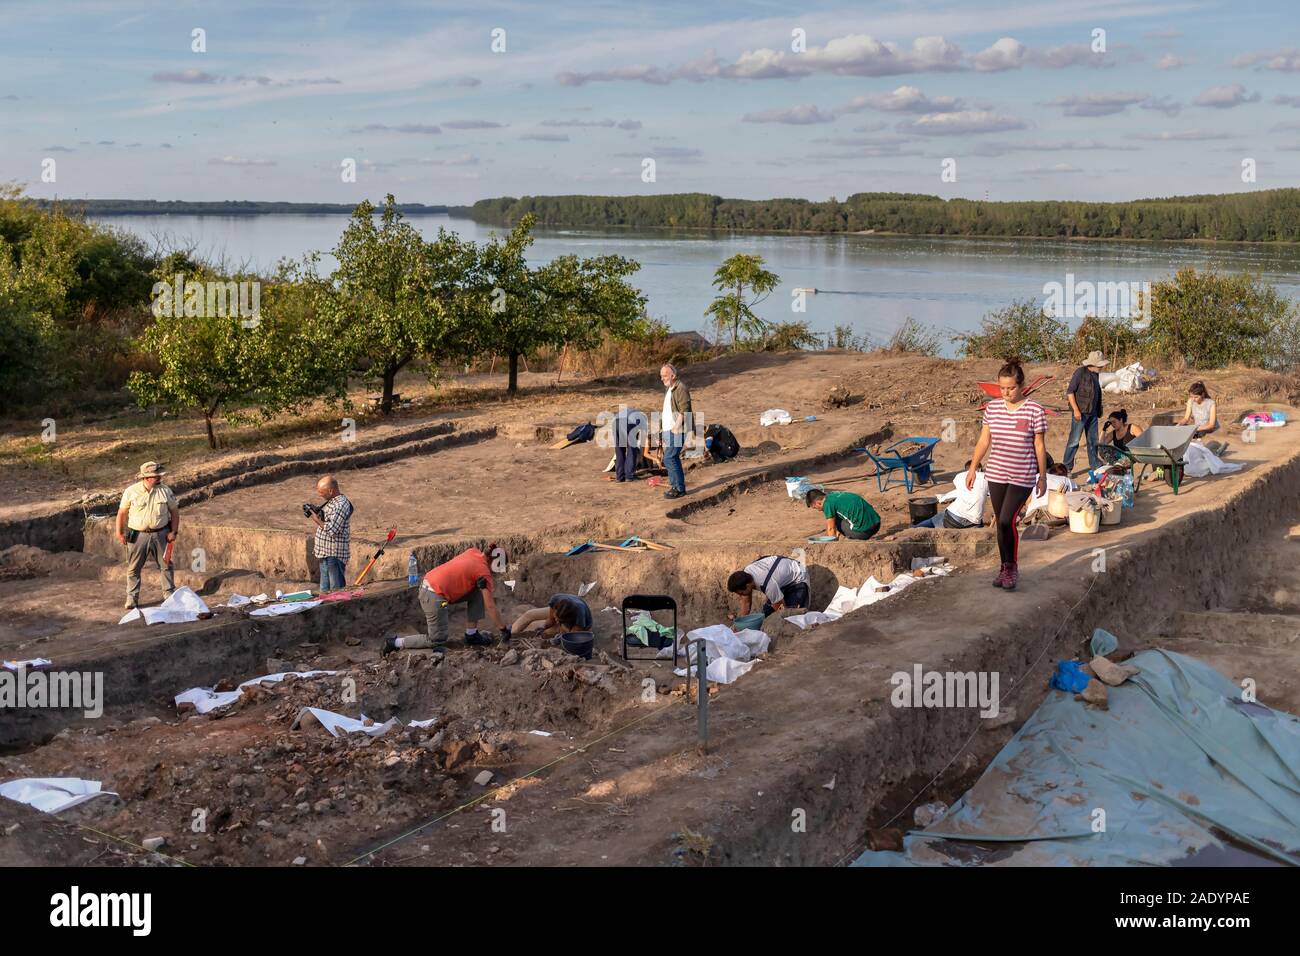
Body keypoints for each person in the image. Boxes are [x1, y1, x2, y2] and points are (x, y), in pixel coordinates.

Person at [965, 357, 1048, 591]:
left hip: (1023, 475)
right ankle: (1003, 567)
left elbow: (1039, 446)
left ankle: (1012, 567)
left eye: (1010, 388)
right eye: (1002, 388)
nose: (1006, 392)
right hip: (996, 473)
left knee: (1006, 520)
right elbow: (984, 441)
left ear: (1021, 386)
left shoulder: (1034, 410)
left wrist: (1042, 477)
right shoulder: (992, 408)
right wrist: (973, 468)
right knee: (1000, 525)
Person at [383, 545, 509, 655]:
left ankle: (471, 634)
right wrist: (503, 629)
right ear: (493, 561)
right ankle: (394, 643)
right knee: (436, 639)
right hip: (434, 596)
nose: (496, 571)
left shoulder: (473, 551)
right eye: (498, 567)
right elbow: (490, 606)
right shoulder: (483, 570)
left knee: (479, 590)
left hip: (431, 585)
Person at [116, 461, 180, 609]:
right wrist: (119, 532)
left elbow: (175, 512)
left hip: (162, 533)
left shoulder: (165, 490)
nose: (159, 478)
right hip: (137, 535)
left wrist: (173, 531)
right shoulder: (131, 491)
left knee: (166, 565)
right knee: (133, 568)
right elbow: (122, 513)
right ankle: (132, 599)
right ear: (146, 477)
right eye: (156, 476)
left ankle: (169, 594)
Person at [1062, 350, 1107, 475]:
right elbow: (1070, 392)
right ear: (1093, 364)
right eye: (1100, 365)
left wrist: (1098, 409)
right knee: (1074, 441)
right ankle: (1066, 467)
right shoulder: (1080, 373)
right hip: (1080, 413)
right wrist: (1076, 410)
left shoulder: (1095, 374)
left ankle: (1094, 464)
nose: (1102, 367)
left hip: (1092, 414)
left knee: (1093, 440)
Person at [307, 474, 352, 592]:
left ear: (331, 491)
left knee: (336, 592)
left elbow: (332, 530)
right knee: (324, 591)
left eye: (322, 492)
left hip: (334, 554)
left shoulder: (341, 504)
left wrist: (316, 519)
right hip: (325, 553)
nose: (320, 495)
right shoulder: (332, 501)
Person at [912, 460, 988, 529]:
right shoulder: (987, 479)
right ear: (980, 469)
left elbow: (960, 491)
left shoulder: (960, 476)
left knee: (934, 520)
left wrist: (943, 498)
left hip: (954, 518)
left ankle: (914, 529)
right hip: (974, 522)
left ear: (965, 470)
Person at [727, 555, 810, 617]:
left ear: (748, 585)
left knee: (791, 616)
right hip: (780, 578)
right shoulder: (746, 574)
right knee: (766, 614)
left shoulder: (767, 585)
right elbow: (746, 603)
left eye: (741, 593)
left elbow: (782, 610)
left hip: (798, 576)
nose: (742, 596)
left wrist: (779, 609)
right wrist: (740, 623)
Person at [660, 363, 694, 500]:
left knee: (669, 457)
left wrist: (676, 427)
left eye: (664, 375)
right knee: (672, 458)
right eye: (661, 376)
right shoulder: (670, 389)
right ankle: (675, 487)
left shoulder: (681, 388)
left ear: (673, 375)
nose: (662, 378)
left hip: (677, 430)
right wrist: (664, 430)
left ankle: (679, 488)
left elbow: (684, 411)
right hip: (669, 430)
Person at [509, 593, 593, 643]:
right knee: (530, 614)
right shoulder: (556, 599)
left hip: (576, 624)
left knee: (550, 631)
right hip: (564, 613)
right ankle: (508, 633)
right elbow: (551, 619)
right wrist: (543, 626)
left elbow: (572, 635)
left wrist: (560, 638)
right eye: (556, 617)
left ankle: (558, 628)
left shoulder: (580, 614)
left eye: (558, 620)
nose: (556, 620)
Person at [805, 488, 881, 541]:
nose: (818, 510)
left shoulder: (827, 504)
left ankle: (846, 539)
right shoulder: (834, 494)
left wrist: (828, 543)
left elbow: (831, 528)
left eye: (815, 507)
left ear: (818, 502)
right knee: (838, 516)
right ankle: (838, 536)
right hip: (877, 524)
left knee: (836, 523)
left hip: (864, 533)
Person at [613, 407, 648, 482]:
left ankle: (619, 476)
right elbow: (643, 439)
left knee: (619, 450)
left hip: (615, 423)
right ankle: (629, 475)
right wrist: (641, 456)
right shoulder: (642, 419)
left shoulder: (632, 412)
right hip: (626, 422)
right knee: (632, 450)